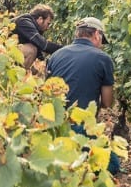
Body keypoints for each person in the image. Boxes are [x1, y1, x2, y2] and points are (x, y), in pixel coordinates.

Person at [45, 16, 121, 174]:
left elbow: (46, 91)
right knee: (113, 165)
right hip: (79, 126)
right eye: (102, 40)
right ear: (97, 34)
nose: (101, 45)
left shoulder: (56, 55)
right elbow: (107, 102)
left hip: (52, 124)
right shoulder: (103, 59)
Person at [12, 4, 63, 73]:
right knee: (31, 50)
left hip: (11, 52)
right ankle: (19, 77)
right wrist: (64, 50)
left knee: (39, 67)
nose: (48, 28)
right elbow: (43, 45)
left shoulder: (33, 27)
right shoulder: (24, 22)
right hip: (2, 53)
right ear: (40, 19)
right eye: (48, 23)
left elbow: (39, 54)